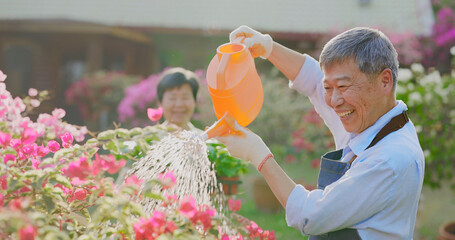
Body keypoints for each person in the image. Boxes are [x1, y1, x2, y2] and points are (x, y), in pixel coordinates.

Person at [216, 26, 424, 239]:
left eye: (343, 86)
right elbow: (314, 79)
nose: (334, 101)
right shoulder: (368, 119)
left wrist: (258, 154)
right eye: (329, 88)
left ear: (385, 81)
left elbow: (311, 216)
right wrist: (267, 47)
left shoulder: (389, 159)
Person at [156, 67, 203, 134]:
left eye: (185, 97)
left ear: (195, 101)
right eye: (173, 98)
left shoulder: (206, 141)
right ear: (160, 102)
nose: (179, 104)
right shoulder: (148, 141)